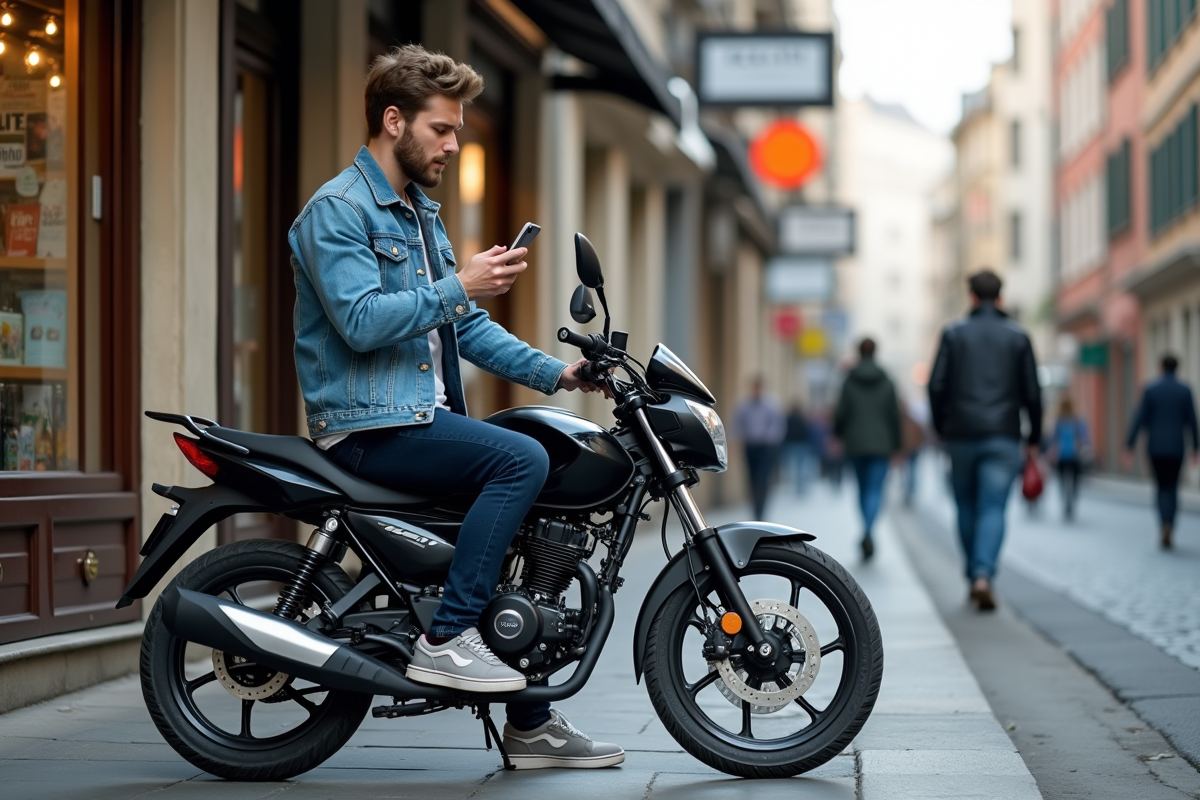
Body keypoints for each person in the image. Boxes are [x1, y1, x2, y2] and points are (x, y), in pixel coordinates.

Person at [288, 44, 623, 769]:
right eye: (442, 129)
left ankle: (529, 721)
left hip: (418, 421)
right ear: (392, 120)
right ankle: (449, 640)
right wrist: (458, 287)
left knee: (537, 468)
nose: (453, 143)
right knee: (521, 458)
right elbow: (362, 320)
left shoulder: (419, 217)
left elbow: (463, 328)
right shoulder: (338, 212)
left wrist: (560, 374)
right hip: (366, 429)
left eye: (458, 131)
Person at [928, 270, 1041, 611]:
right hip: (1003, 435)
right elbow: (1032, 393)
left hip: (961, 435)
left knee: (965, 505)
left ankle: (973, 573)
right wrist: (1034, 435)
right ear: (1001, 297)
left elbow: (936, 386)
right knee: (993, 507)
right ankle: (983, 574)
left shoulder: (953, 333)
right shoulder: (1018, 336)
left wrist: (941, 427)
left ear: (972, 298)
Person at [834, 338, 901, 560]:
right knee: (875, 490)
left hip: (855, 442)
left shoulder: (849, 381)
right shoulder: (887, 381)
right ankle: (869, 531)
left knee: (862, 490)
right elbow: (894, 415)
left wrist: (837, 435)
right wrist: (897, 444)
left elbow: (841, 412)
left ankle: (866, 529)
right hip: (881, 443)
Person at [1123, 354, 1199, 549]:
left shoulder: (1151, 390)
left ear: (1160, 367)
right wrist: (1196, 448)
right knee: (1173, 487)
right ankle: (1170, 525)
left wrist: (1129, 446)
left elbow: (1139, 418)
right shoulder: (1185, 390)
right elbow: (1192, 421)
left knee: (1160, 487)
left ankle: (1163, 524)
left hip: (1155, 447)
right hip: (1176, 447)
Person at [733, 376, 786, 520]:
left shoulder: (771, 405)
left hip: (766, 448)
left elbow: (778, 426)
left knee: (762, 479)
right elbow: (737, 424)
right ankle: (755, 508)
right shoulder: (743, 405)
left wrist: (771, 440)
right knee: (751, 479)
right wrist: (737, 440)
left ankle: (761, 510)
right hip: (750, 446)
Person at [1049, 397, 1089, 521]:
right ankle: (1072, 499)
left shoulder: (1059, 421)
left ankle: (1065, 500)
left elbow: (1053, 439)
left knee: (1062, 480)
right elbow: (1085, 438)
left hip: (1061, 456)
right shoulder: (1077, 421)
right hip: (1075, 456)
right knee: (1075, 481)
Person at [783, 402, 813, 494]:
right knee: (802, 466)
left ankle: (798, 486)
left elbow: (785, 432)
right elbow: (807, 432)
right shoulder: (802, 419)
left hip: (791, 445)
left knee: (794, 467)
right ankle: (802, 486)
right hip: (802, 445)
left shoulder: (788, 419)